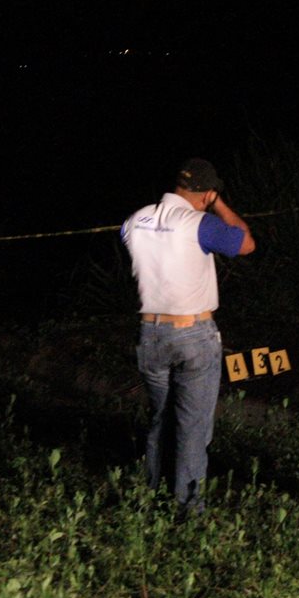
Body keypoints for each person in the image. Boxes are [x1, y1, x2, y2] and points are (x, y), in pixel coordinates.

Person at [121, 158, 255, 514]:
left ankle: (151, 497)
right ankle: (187, 509)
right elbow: (246, 243)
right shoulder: (200, 223)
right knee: (192, 427)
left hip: (150, 333)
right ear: (207, 194)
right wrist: (219, 205)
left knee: (160, 419)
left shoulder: (134, 221)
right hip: (193, 333)